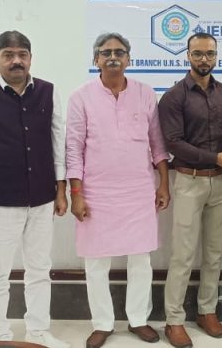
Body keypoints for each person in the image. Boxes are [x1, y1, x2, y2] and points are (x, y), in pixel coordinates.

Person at [0, 31, 69, 348]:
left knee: (40, 269)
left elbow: (58, 143)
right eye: (8, 55)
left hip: (42, 198)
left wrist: (60, 189)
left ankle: (38, 332)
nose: (16, 61)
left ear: (30, 58)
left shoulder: (48, 91)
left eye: (22, 54)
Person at [66, 32, 170, 348]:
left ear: (129, 58)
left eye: (119, 52)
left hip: (139, 190)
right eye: (106, 52)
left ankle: (138, 319)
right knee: (96, 261)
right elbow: (73, 149)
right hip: (96, 192)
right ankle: (102, 323)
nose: (113, 57)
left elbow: (158, 144)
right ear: (95, 59)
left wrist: (163, 184)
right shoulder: (81, 97)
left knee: (141, 259)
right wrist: (76, 194)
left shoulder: (145, 93)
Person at [158, 32, 222, 348]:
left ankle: (207, 311)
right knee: (183, 254)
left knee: (214, 252)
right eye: (198, 54)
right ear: (187, 55)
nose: (204, 59)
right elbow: (174, 143)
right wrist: (215, 157)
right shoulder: (173, 97)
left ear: (217, 56)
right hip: (189, 181)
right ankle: (174, 320)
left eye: (209, 53)